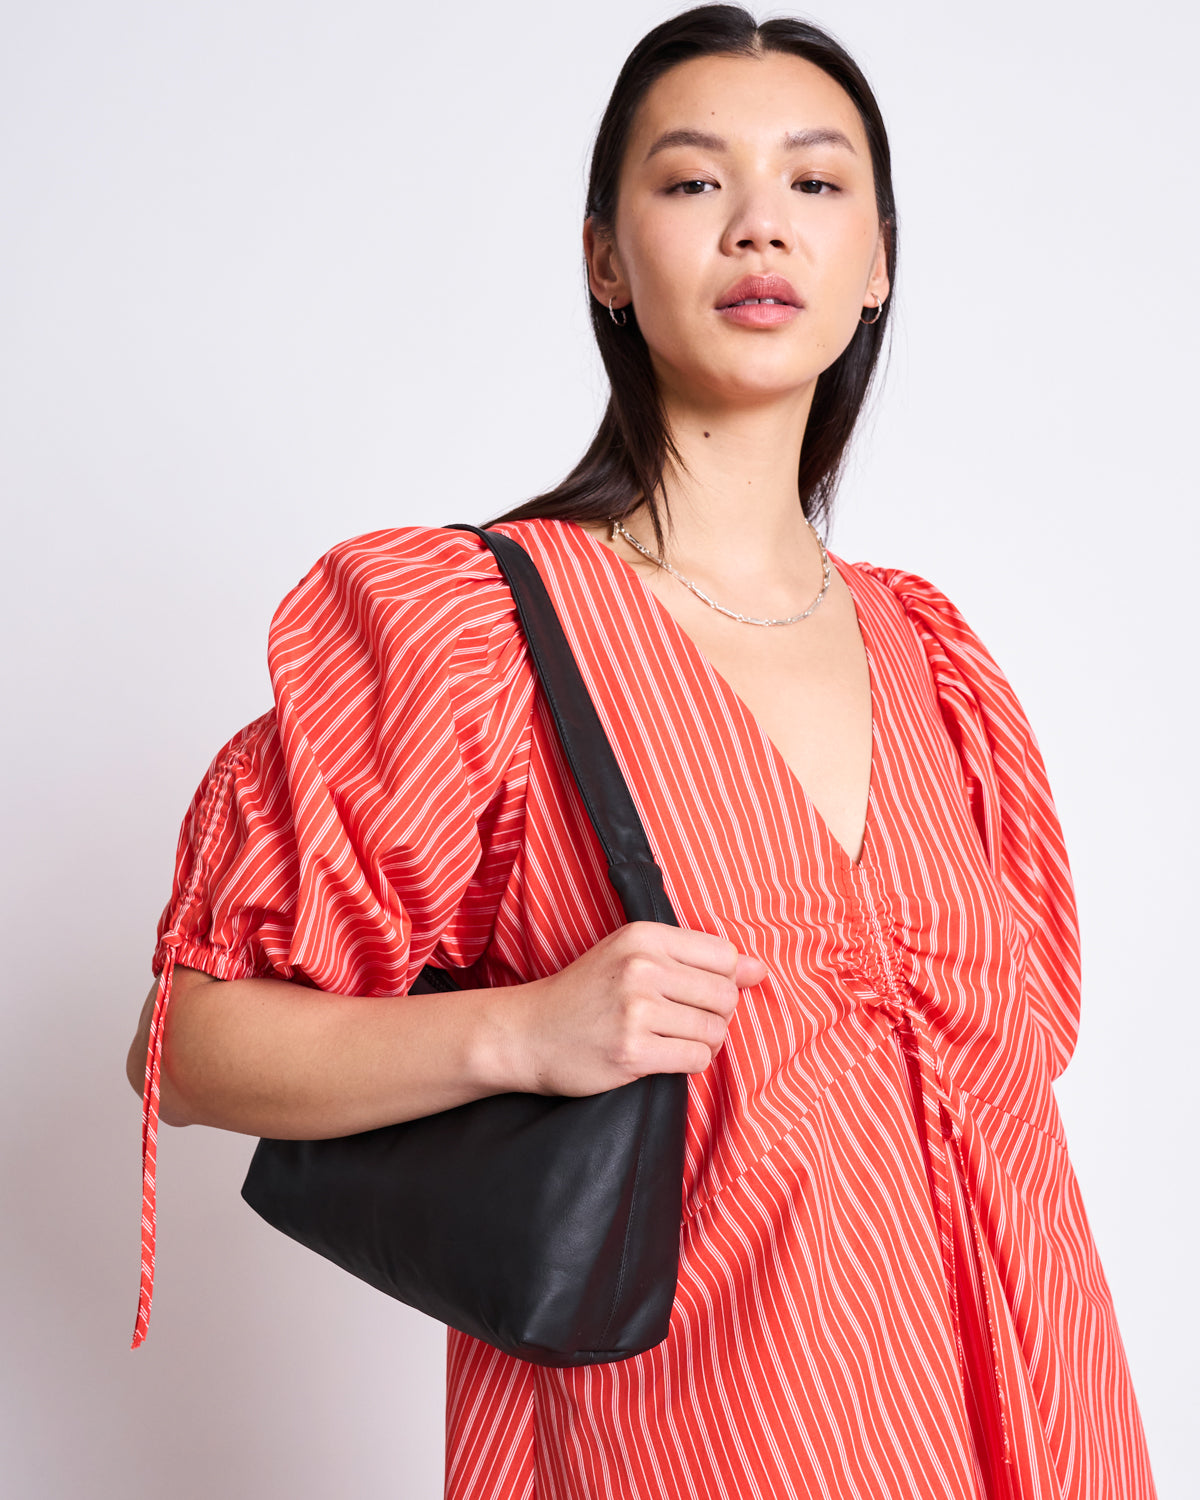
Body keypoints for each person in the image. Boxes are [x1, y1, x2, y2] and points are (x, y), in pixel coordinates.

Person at [126, 7, 1156, 1497]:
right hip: (686, 1444)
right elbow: (182, 1045)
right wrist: (520, 1033)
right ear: (605, 258)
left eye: (815, 183)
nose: (759, 225)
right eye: (692, 181)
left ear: (877, 263)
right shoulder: (478, 634)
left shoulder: (938, 666)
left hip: (1045, 1432)